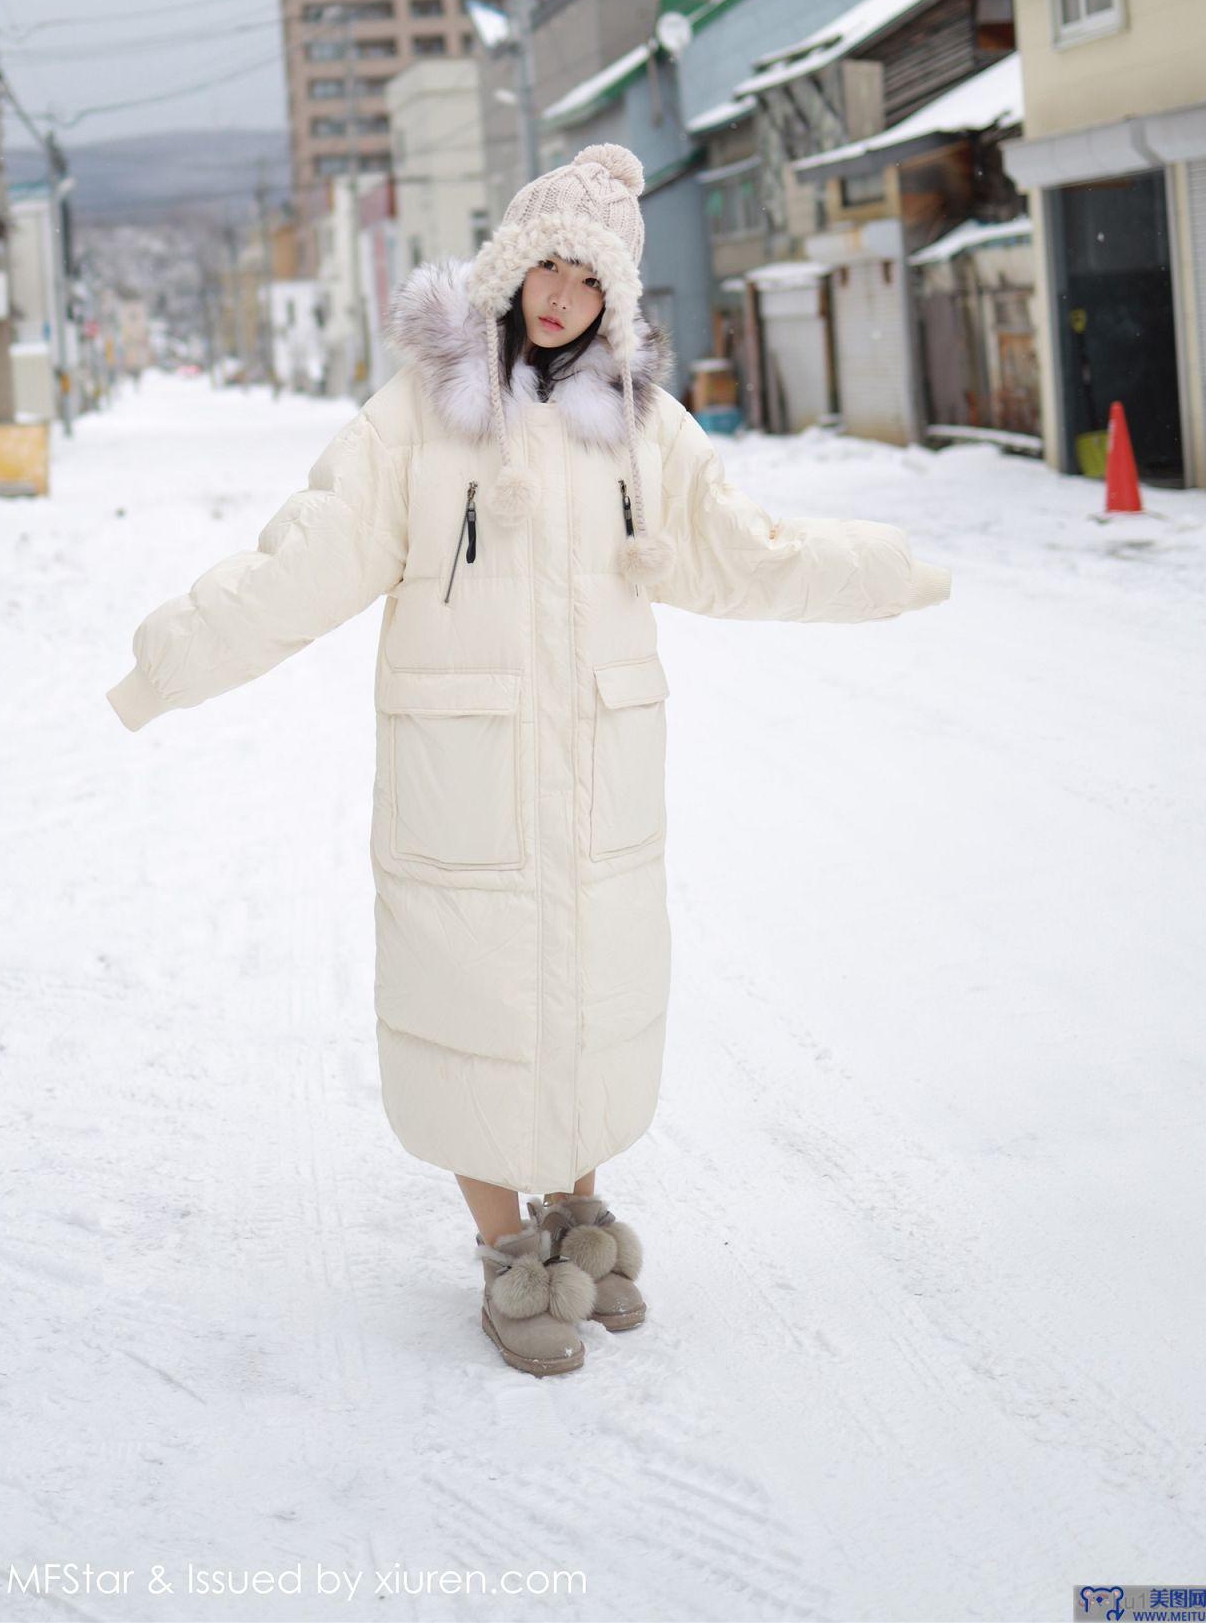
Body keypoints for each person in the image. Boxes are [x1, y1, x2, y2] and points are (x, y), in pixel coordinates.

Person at [106, 142, 952, 1377]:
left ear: (616, 300)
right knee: (477, 1009)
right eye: (543, 264)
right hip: (466, 788)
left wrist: (890, 573)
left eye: (586, 276)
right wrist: (167, 663)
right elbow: (304, 561)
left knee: (590, 1008)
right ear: (508, 267)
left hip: (601, 782)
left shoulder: (643, 434)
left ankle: (574, 1216)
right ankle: (507, 1250)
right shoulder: (417, 418)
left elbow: (748, 550)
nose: (560, 295)